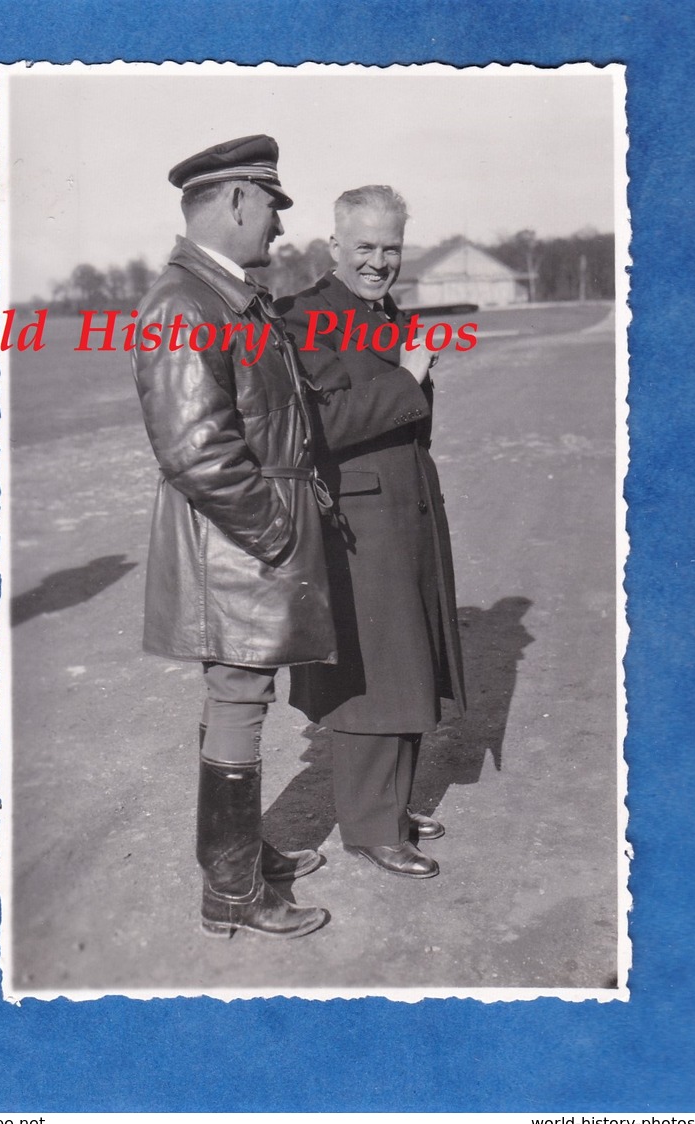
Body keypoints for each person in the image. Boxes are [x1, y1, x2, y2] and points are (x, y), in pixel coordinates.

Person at [131, 135, 337, 938]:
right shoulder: (185, 303)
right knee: (239, 697)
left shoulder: (225, 295)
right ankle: (232, 892)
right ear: (238, 201)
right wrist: (280, 533)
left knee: (239, 699)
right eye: (273, 208)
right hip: (239, 545)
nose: (280, 228)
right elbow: (195, 451)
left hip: (243, 544)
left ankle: (243, 854)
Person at [281, 185, 466, 878]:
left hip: (404, 511)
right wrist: (412, 378)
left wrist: (416, 383)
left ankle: (389, 804)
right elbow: (320, 428)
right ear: (334, 246)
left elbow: (407, 426)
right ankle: (370, 825)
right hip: (356, 522)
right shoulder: (304, 317)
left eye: (391, 247)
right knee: (371, 673)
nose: (379, 261)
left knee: (406, 661)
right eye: (365, 247)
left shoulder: (385, 313)